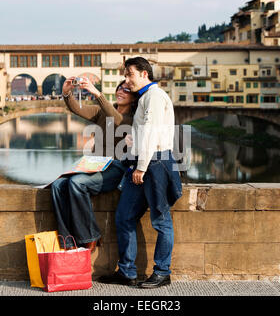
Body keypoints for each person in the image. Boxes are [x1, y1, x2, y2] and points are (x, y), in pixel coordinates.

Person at [98, 57, 182, 288]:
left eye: (129, 75)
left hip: (155, 163)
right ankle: (127, 272)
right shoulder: (146, 98)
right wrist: (133, 142)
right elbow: (145, 133)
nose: (126, 80)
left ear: (144, 74)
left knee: (161, 220)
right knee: (124, 216)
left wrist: (141, 167)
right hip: (142, 162)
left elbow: (153, 135)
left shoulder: (154, 97)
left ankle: (163, 272)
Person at [49, 77, 139, 252]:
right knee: (58, 185)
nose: (121, 91)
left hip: (116, 167)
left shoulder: (132, 118)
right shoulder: (101, 112)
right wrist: (67, 92)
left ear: (134, 97)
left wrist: (97, 93)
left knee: (77, 183)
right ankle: (67, 240)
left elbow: (117, 120)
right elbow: (77, 108)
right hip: (94, 164)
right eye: (119, 88)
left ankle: (90, 235)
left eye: (126, 90)